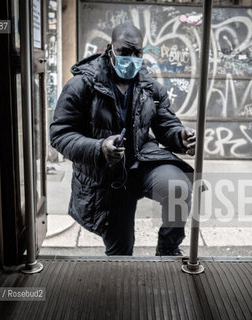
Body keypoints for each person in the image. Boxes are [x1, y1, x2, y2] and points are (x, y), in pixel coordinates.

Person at [50, 23, 196, 256]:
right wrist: (99, 148)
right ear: (110, 49)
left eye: (137, 53)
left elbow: (165, 124)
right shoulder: (82, 85)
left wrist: (179, 136)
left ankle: (168, 249)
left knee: (179, 186)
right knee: (120, 254)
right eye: (124, 52)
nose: (131, 58)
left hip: (142, 164)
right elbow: (60, 134)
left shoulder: (149, 87)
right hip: (107, 180)